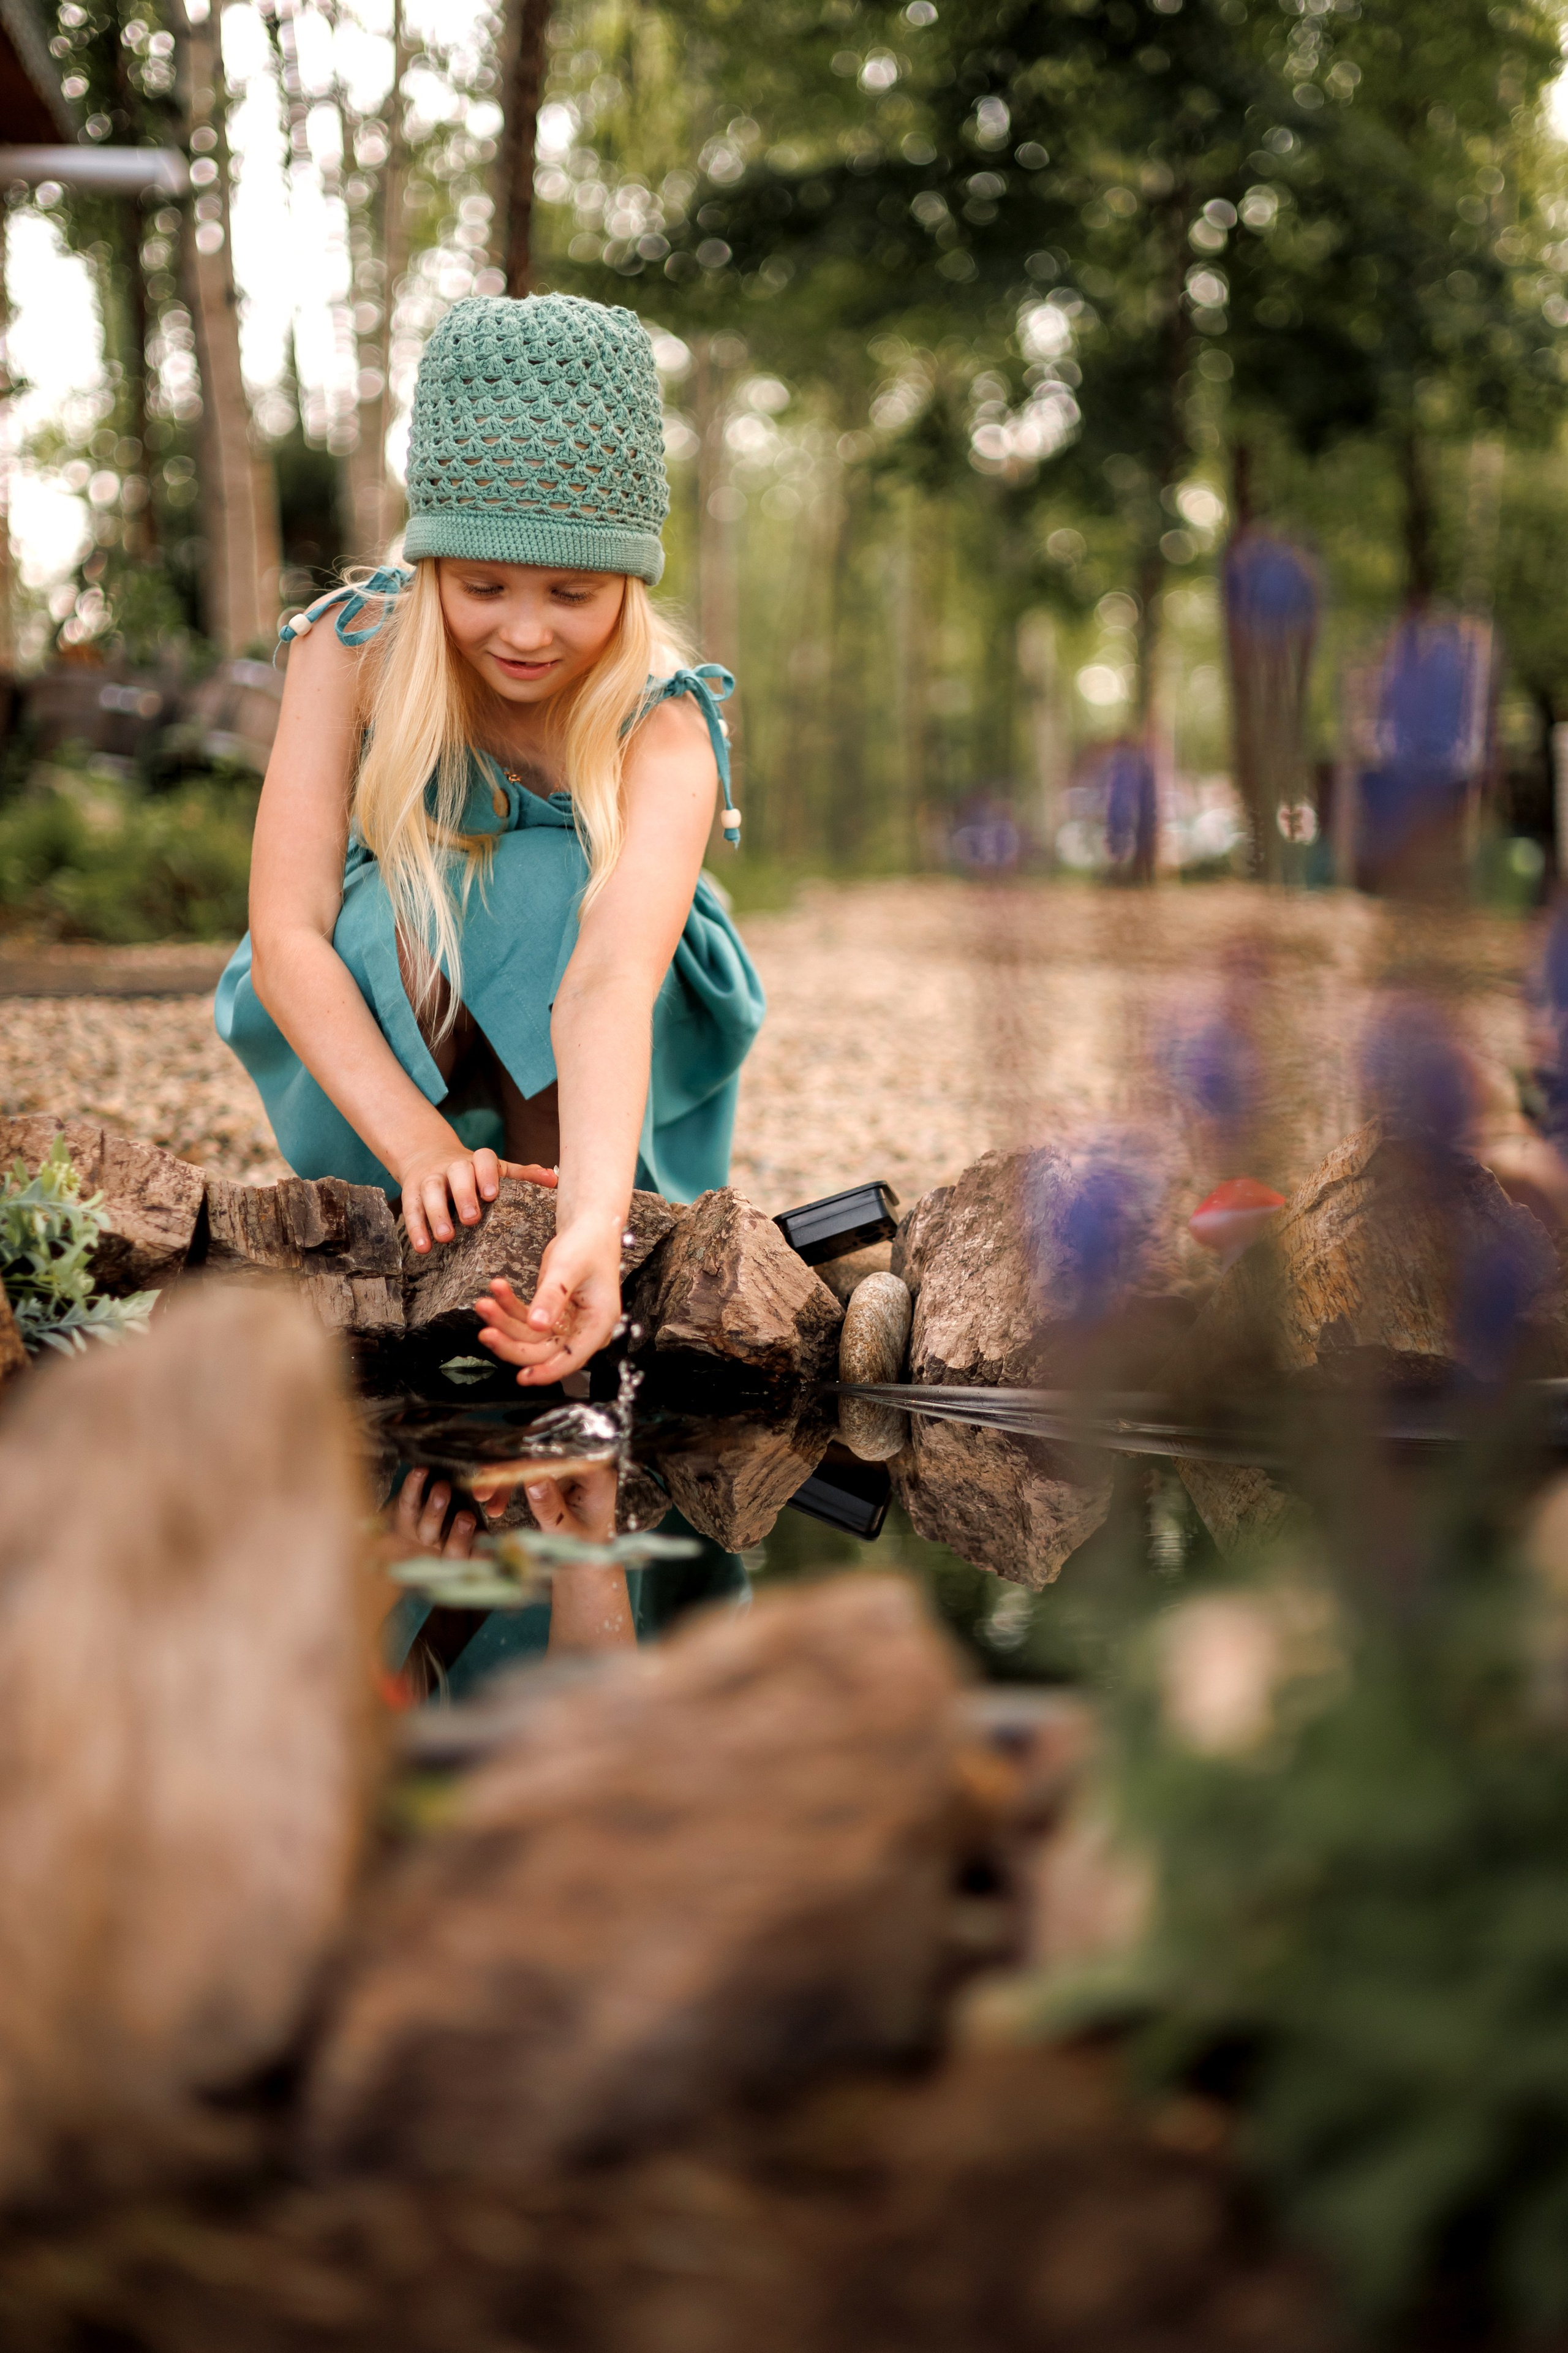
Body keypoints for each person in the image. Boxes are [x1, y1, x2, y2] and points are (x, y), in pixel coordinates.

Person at [216, 292, 766, 1386]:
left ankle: (566, 1239)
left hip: (608, 1030)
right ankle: (420, 1202)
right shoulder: (350, 648)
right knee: (424, 893)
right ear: (430, 566)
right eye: (482, 586)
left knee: (548, 873)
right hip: (389, 1023)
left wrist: (597, 1216)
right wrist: (419, 1143)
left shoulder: (664, 723)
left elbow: (610, 979)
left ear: (630, 583)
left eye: (572, 592)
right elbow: (286, 934)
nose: (524, 631)